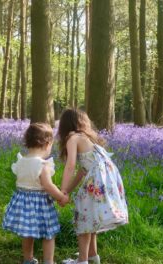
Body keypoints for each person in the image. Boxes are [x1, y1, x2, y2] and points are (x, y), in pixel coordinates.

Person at [58, 109, 128, 264]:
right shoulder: (88, 139)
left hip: (97, 180)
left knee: (83, 217)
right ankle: (92, 256)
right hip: (106, 179)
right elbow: (82, 171)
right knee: (91, 216)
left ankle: (82, 261)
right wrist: (67, 191)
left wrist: (62, 191)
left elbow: (70, 167)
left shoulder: (73, 138)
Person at [2, 123, 69, 264]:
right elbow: (48, 186)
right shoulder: (42, 165)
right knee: (49, 234)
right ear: (47, 144)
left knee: (28, 234)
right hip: (40, 205)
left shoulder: (21, 162)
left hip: (23, 202)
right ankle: (48, 261)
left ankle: (28, 259)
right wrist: (61, 197)